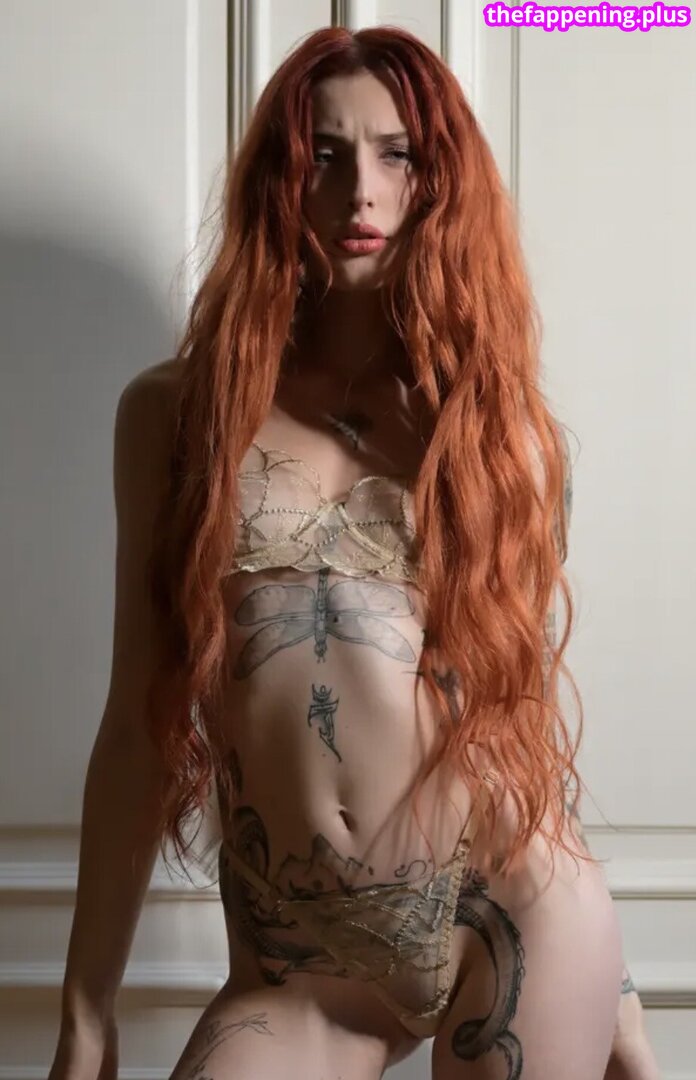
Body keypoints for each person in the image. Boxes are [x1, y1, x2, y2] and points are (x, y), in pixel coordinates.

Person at [48, 24, 661, 1080]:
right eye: (324, 156)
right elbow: (136, 725)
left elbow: (515, 723)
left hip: (510, 918)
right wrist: (85, 1010)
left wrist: (624, 1002)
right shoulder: (176, 418)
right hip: (299, 965)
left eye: (397, 155)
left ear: (440, 182)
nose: (360, 193)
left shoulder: (496, 433)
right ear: (280, 179)